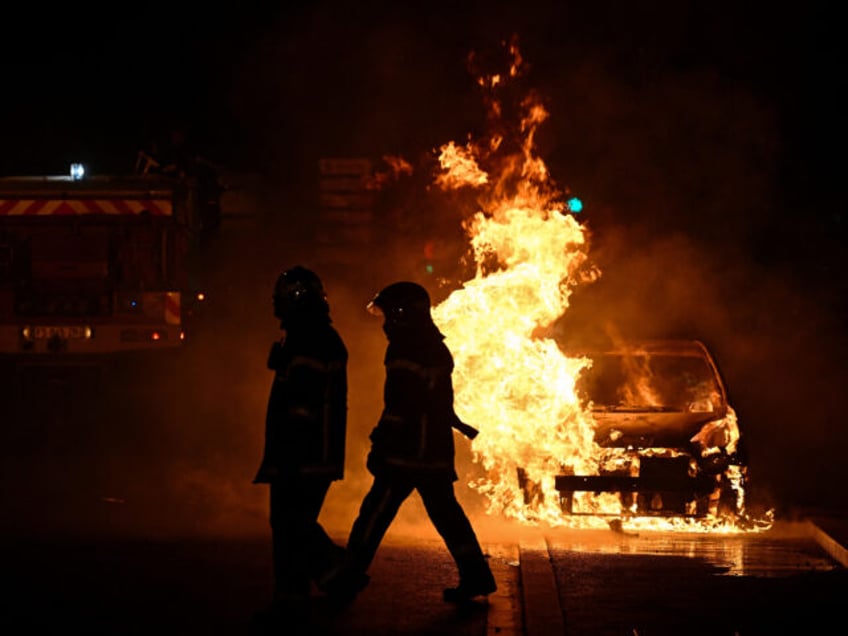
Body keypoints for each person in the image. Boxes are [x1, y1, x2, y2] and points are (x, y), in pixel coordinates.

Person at [325, 281, 496, 604]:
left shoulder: (406, 348)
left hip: (407, 454)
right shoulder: (432, 345)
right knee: (447, 516)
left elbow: (401, 406)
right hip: (434, 450)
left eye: (390, 315)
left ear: (404, 315)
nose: (386, 323)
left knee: (374, 514)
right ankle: (476, 575)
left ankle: (347, 578)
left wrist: (382, 443)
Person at [252, 266, 349, 616]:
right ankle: (306, 588)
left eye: (280, 299)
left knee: (291, 522)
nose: (276, 306)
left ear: (294, 300)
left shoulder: (309, 340)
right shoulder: (308, 337)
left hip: (302, 455)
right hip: (305, 454)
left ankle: (335, 576)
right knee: (292, 523)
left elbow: (302, 406)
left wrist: (288, 459)